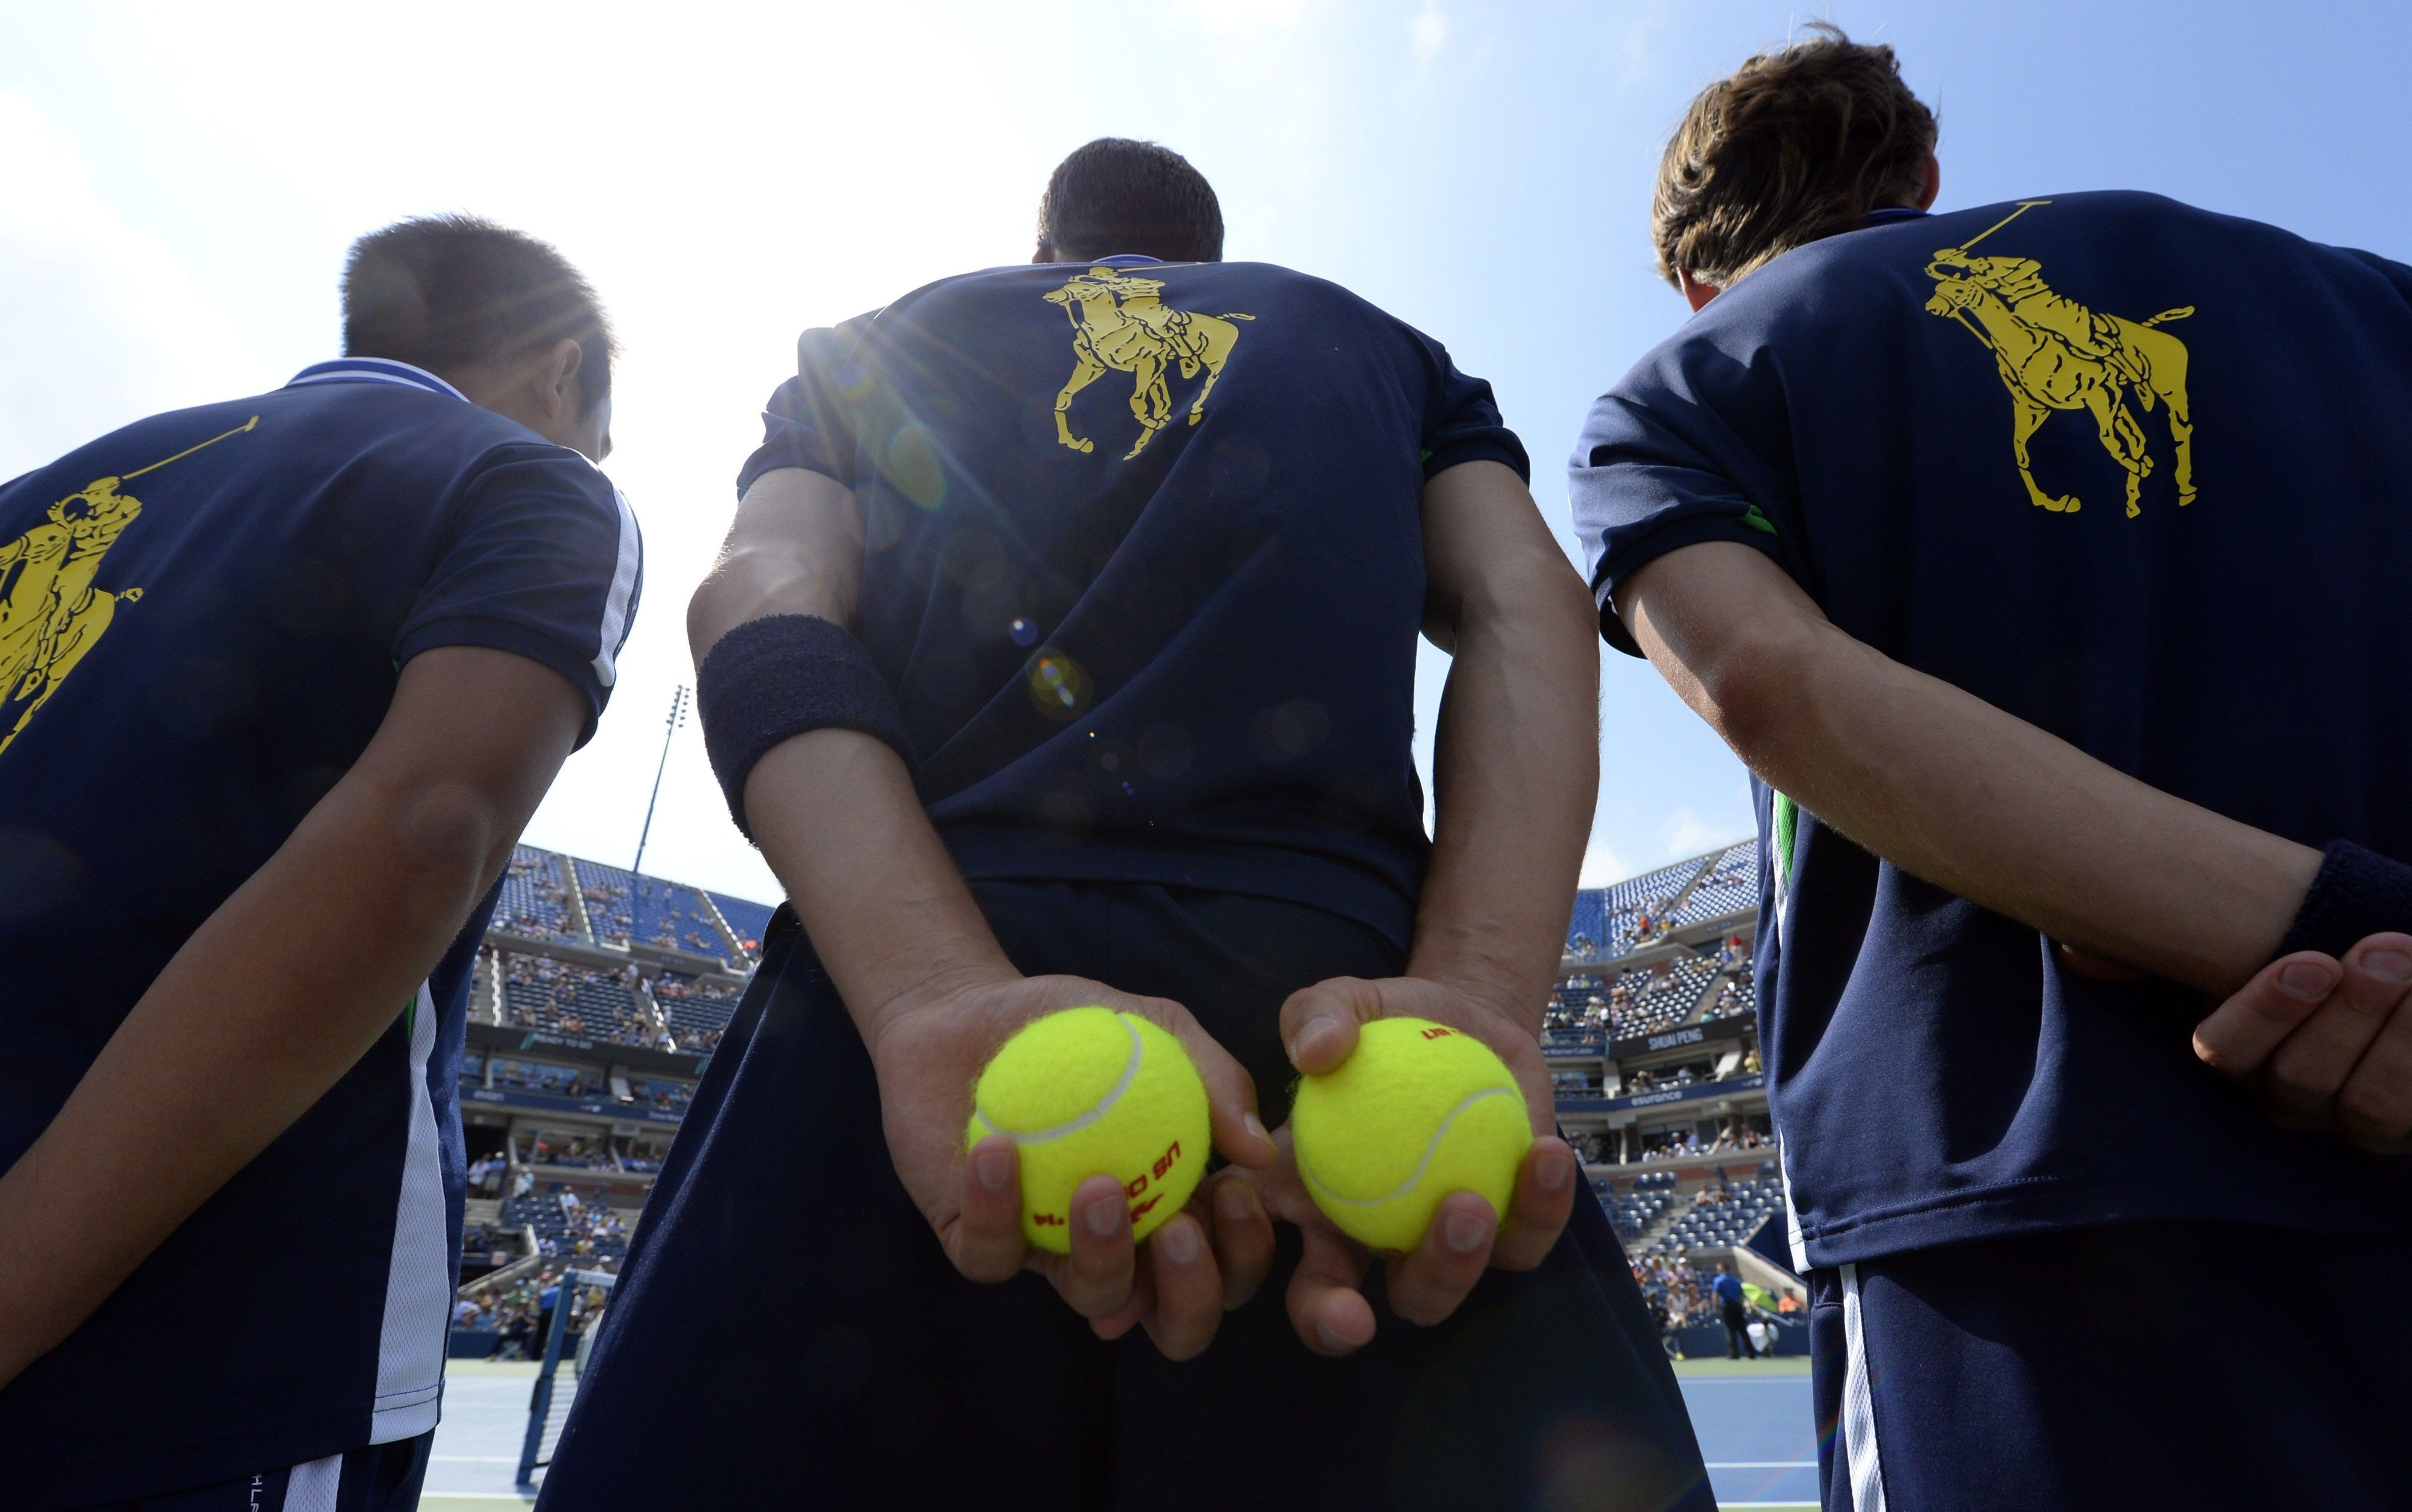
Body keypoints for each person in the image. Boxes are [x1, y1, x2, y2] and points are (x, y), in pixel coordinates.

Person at [542, 138, 1709, 1510]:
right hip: (1330, 1037)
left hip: (894, 1019)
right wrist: (1477, 990)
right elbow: (1528, 607)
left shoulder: (873, 344)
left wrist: (927, 988)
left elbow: (755, 596)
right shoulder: (1376, 345)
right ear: (1209, 260)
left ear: (1044, 252)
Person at [1572, 25, 2412, 1511]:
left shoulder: (1697, 373)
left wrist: (2321, 931)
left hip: (2004, 1215)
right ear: (1924, 178)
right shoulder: (2366, 296)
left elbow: (1763, 680)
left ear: (1699, 275)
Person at [0, 215, 640, 1508]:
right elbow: (421, 845)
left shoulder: (53, 490)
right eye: (592, 425)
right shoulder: (527, 483)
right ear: (557, 372)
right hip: (201, 1350)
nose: (587, 453)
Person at [1711, 1262, 1754, 1359]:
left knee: (1730, 1330)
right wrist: (1741, 1306)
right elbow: (1741, 1295)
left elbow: (1715, 1295)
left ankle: (1734, 1354)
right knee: (1743, 1330)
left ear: (1723, 1269)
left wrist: (1715, 1307)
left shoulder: (1719, 1280)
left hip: (1728, 1306)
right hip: (1738, 1306)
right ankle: (1750, 1353)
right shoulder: (1736, 1280)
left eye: (1719, 1268)